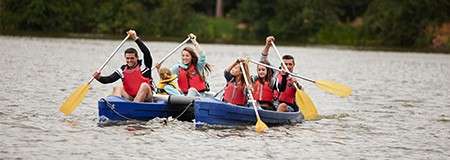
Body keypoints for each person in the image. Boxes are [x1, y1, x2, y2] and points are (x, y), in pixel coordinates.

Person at [93, 30, 153, 102]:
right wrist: (98, 77)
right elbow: (109, 79)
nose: (129, 60)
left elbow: (146, 53)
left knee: (144, 85)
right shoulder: (123, 69)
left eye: (132, 58)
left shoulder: (144, 65)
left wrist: (135, 38)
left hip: (147, 97)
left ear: (137, 57)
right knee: (117, 88)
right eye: (127, 58)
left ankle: (133, 107)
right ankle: (115, 107)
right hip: (131, 97)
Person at [261, 36, 301, 112]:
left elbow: (302, 92)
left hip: (289, 107)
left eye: (290, 64)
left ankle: (275, 118)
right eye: (285, 64)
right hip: (273, 104)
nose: (288, 66)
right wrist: (267, 45)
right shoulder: (275, 72)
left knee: (282, 106)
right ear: (282, 65)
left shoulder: (296, 77)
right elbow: (263, 60)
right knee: (262, 104)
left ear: (293, 65)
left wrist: (296, 85)